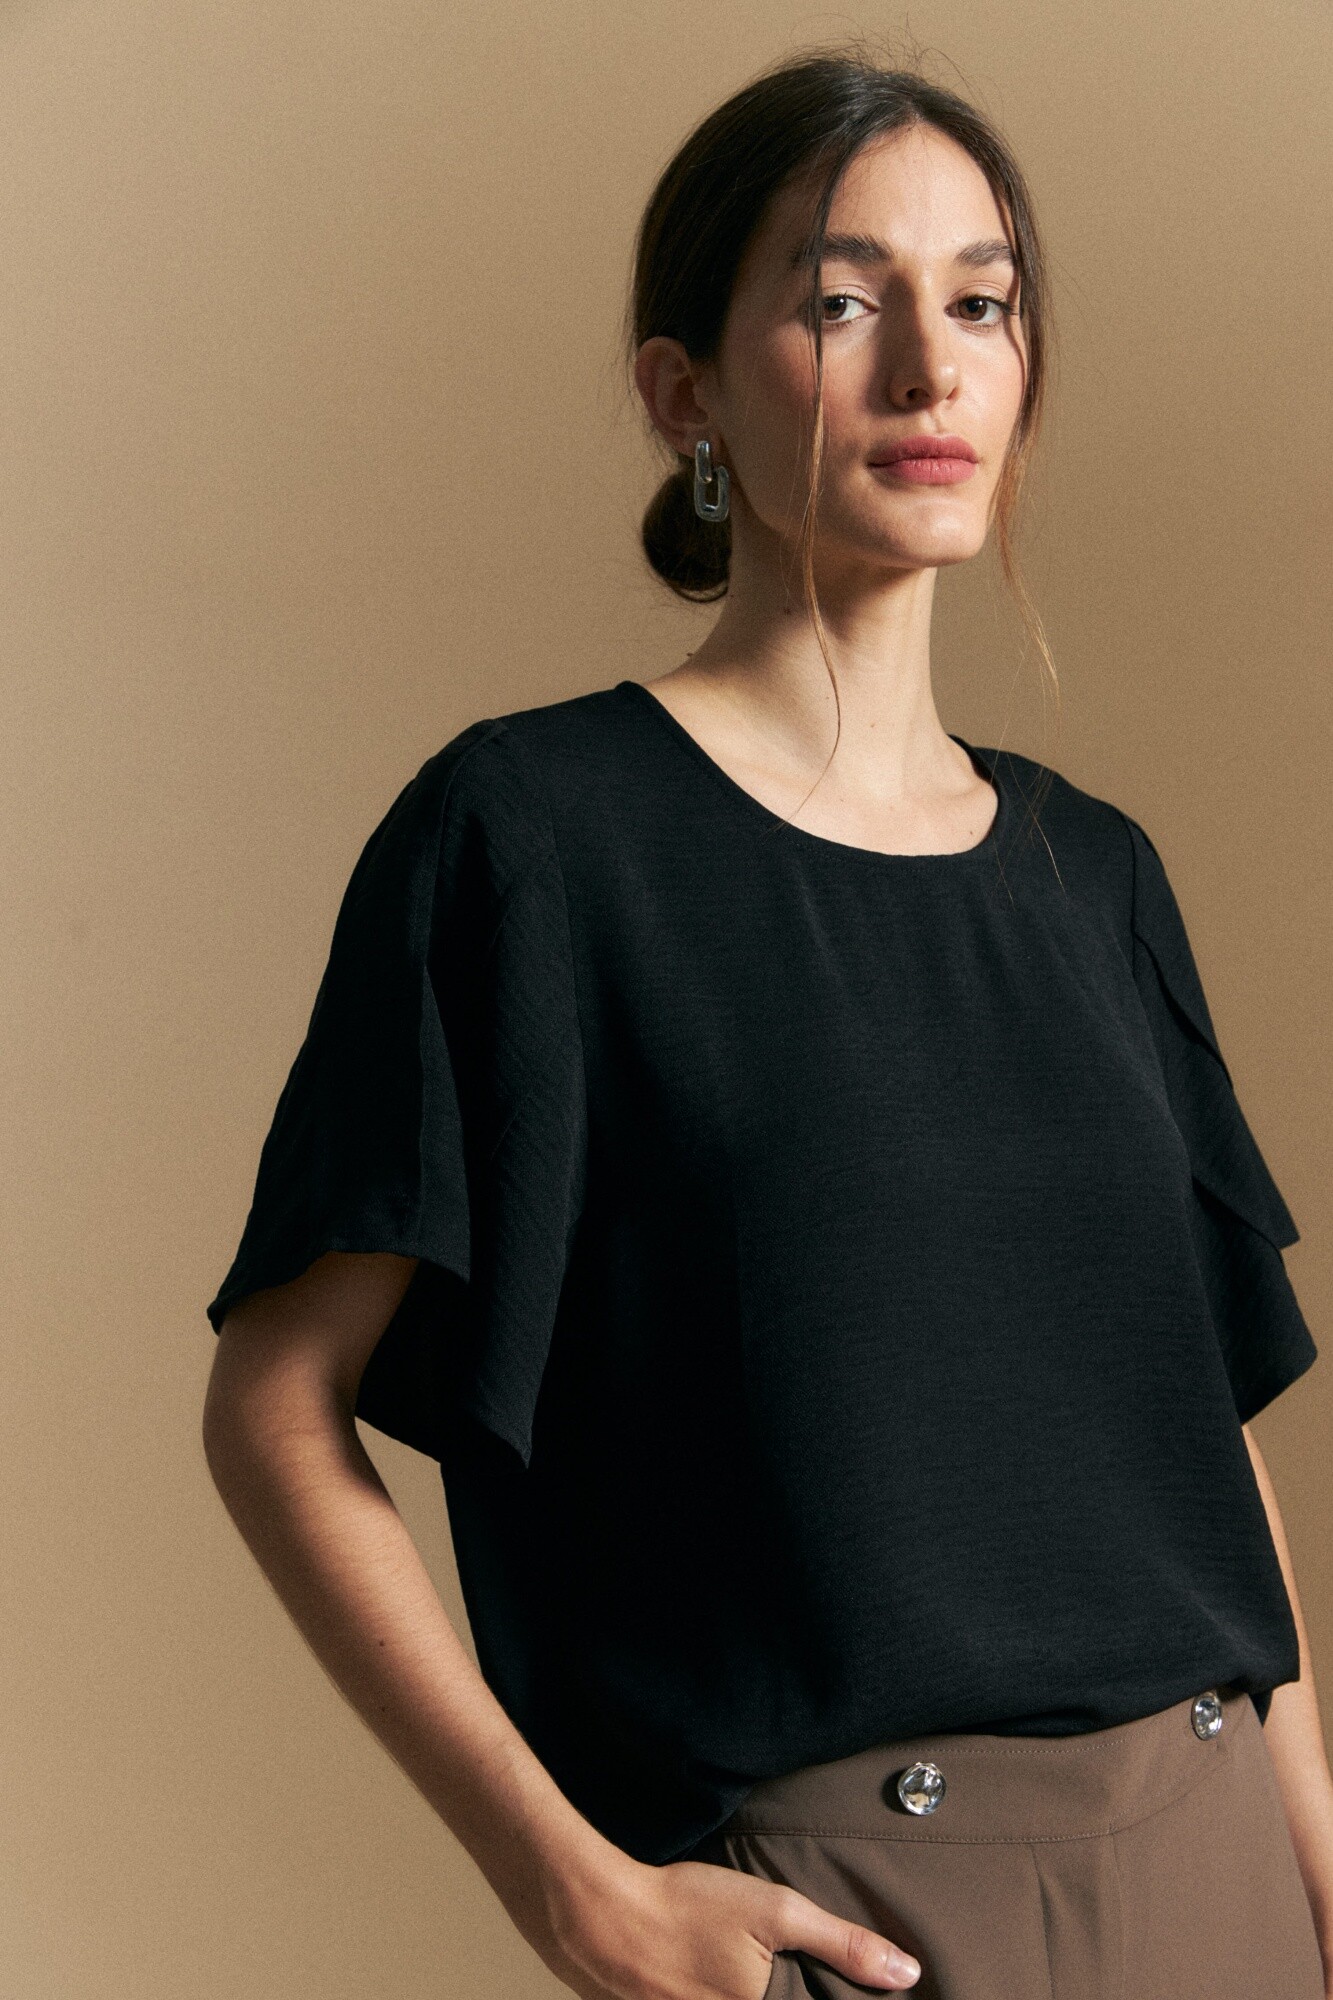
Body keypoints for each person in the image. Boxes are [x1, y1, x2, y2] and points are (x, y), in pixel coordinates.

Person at [200, 46, 1332, 2000]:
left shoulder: (1094, 875)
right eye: (841, 300)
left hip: (1224, 1869)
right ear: (684, 396)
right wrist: (568, 1883)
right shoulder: (536, 841)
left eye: (981, 301)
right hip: (851, 1911)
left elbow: (1199, 1426)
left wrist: (1315, 1862)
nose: (930, 368)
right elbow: (274, 1403)